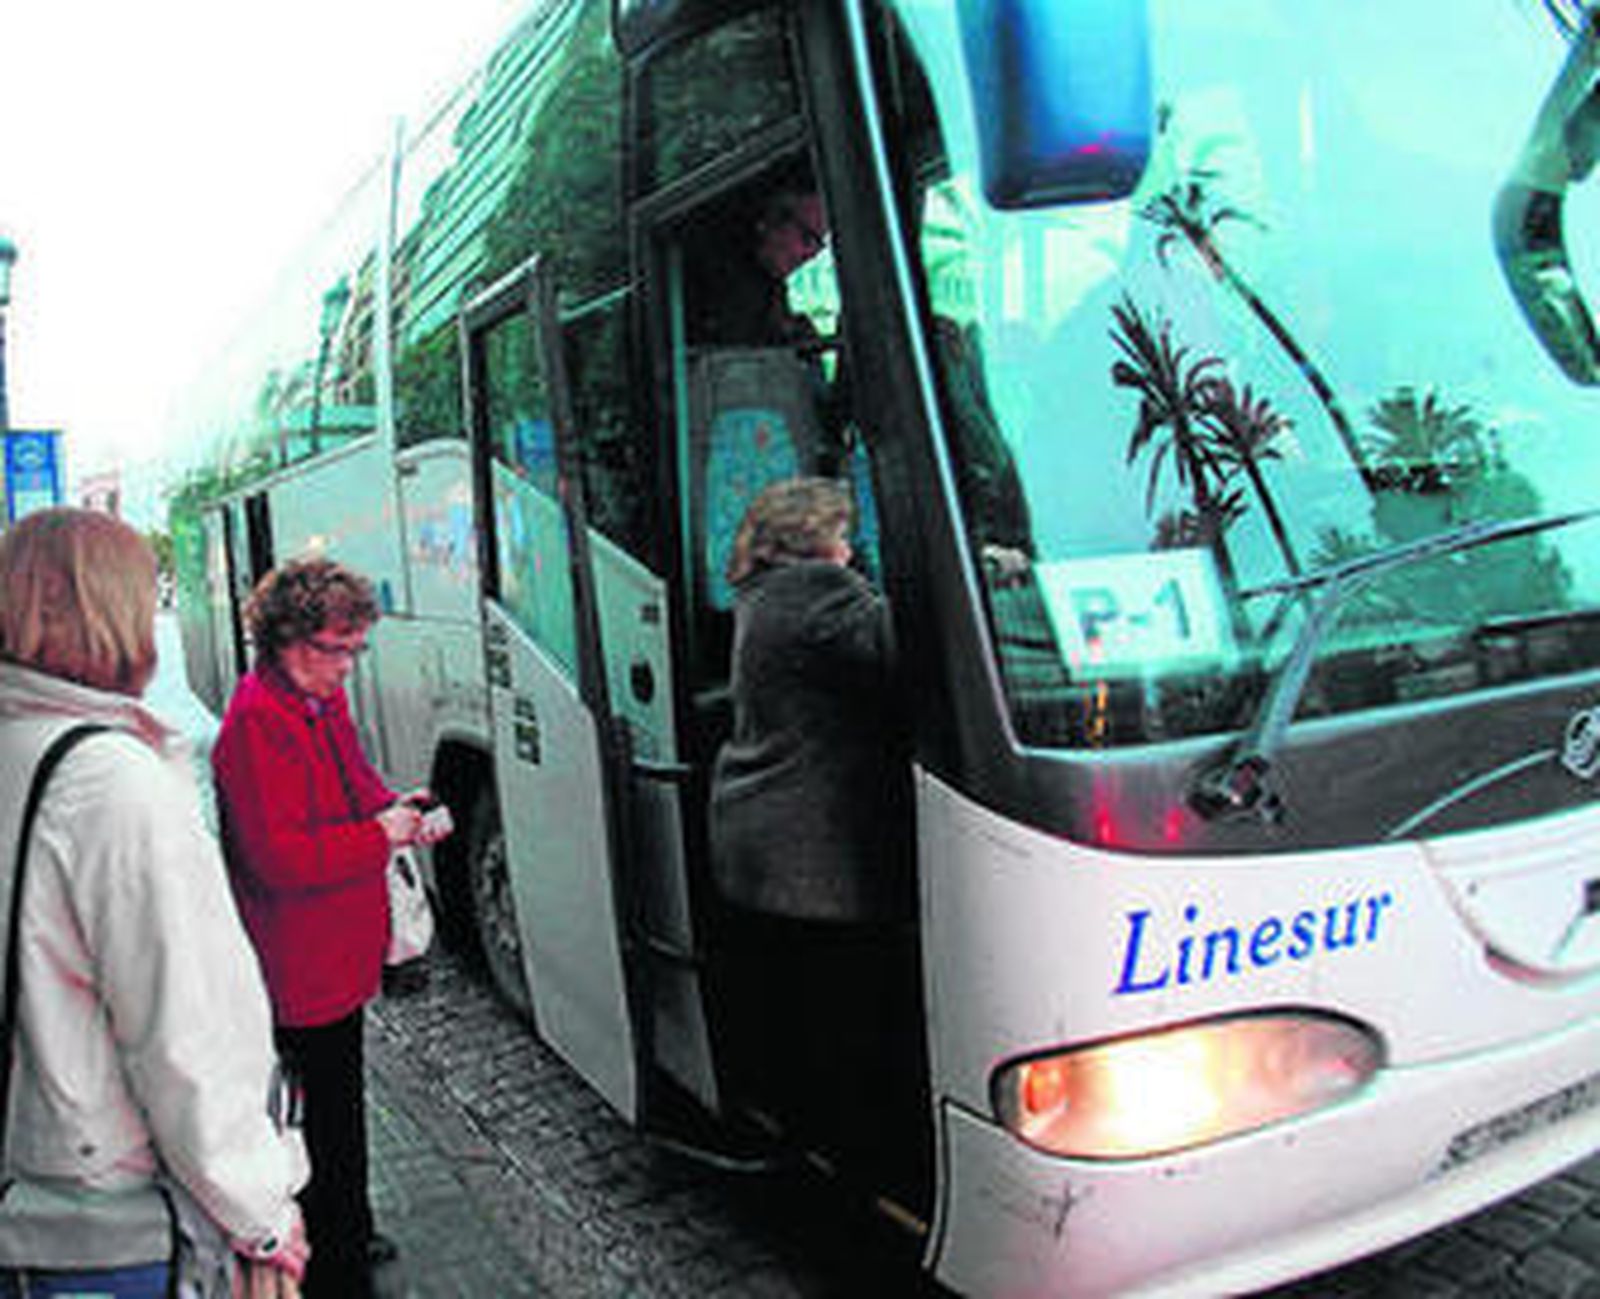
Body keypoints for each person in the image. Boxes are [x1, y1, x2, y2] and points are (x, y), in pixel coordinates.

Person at [0, 508, 307, 1298]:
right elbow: (185, 1034)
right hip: (109, 1225)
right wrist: (263, 1215)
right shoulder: (111, 783)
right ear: (113, 612)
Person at [212, 556, 452, 1299]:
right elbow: (278, 860)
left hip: (337, 952)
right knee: (318, 1120)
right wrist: (379, 834)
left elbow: (356, 781)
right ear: (284, 639)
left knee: (340, 1107)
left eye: (355, 649)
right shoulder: (256, 721)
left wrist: (398, 808)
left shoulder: (318, 697)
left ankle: (349, 1227)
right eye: (333, 649)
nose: (346, 666)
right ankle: (333, 1259)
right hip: (299, 962)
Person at [708, 478, 917, 1169]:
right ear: (814, 540)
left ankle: (806, 1143)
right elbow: (914, 640)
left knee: (799, 1005)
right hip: (810, 849)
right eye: (844, 534)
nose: (852, 548)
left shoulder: (762, 593)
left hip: (763, 833)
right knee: (845, 1014)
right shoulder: (817, 595)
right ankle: (845, 1162)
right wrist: (985, 573)